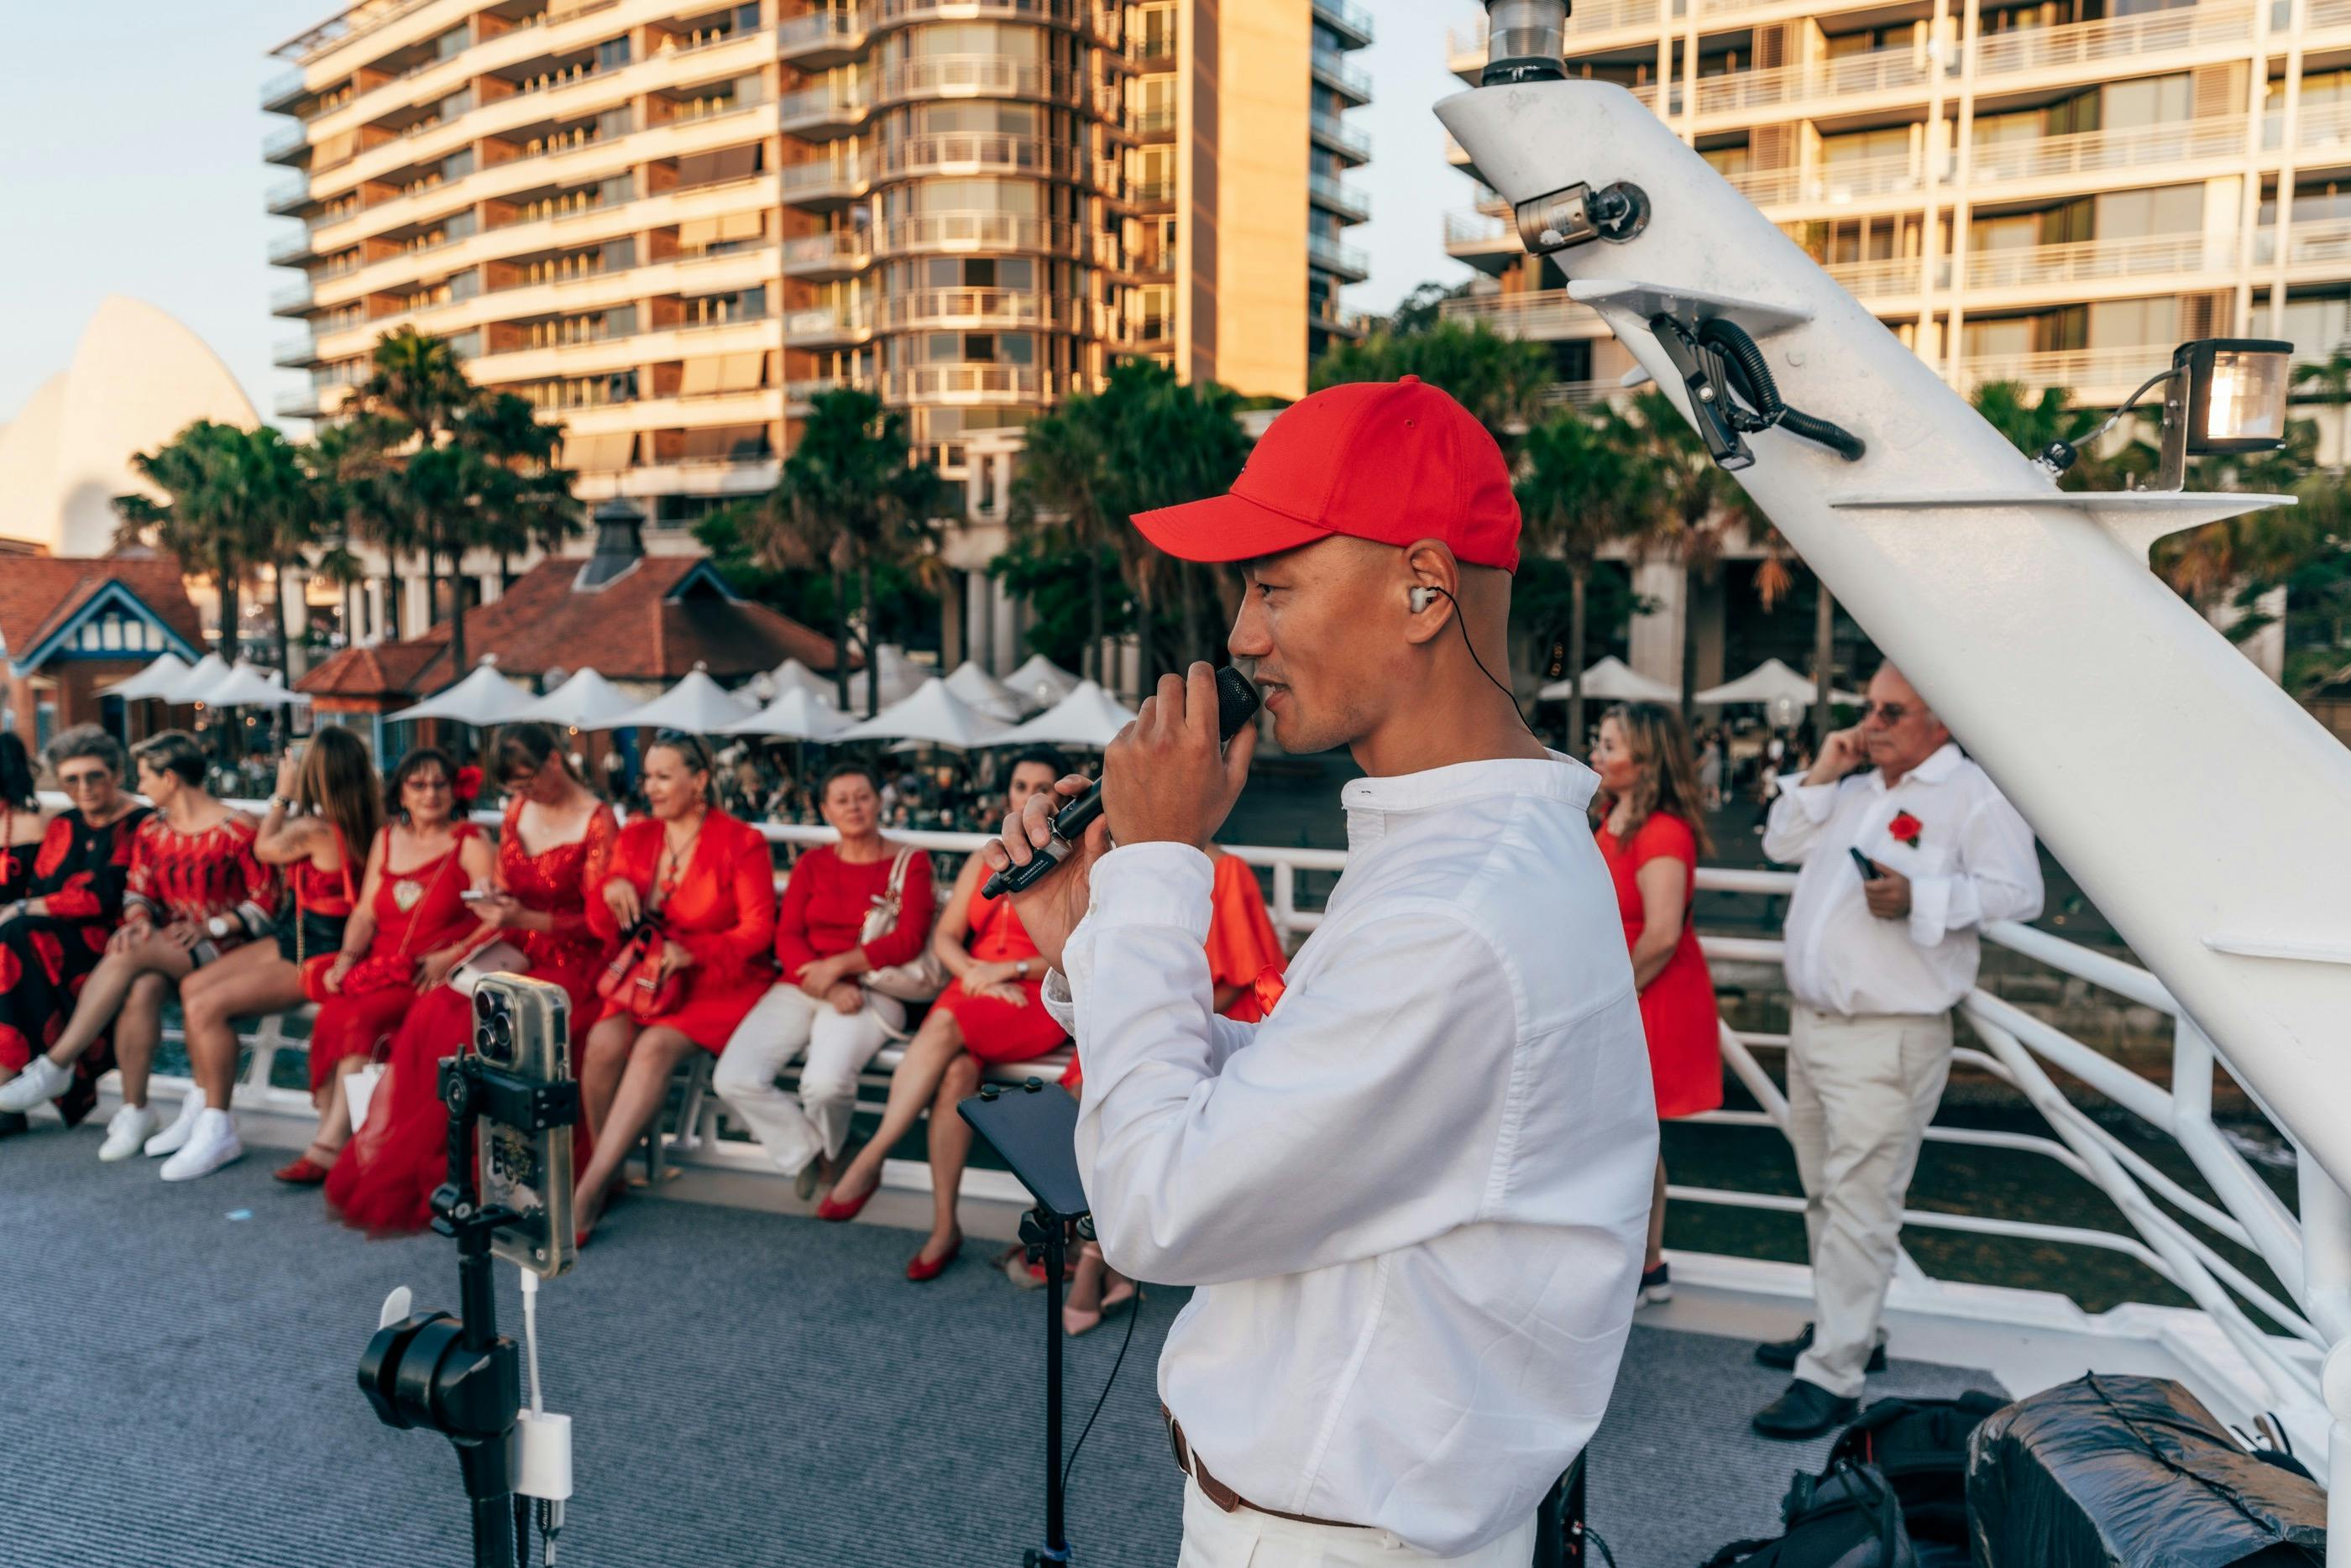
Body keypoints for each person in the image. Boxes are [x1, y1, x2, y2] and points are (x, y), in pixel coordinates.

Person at [984, 375, 1656, 1564]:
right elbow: (1317, 1094)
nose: (1242, 635)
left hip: (1334, 1541)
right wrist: (1095, 941)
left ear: (1424, 589)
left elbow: (1155, 1213)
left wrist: (1156, 868)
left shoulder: (1459, 908)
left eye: (1273, 584)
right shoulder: (1475, 854)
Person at [1749, 662, 2043, 1440]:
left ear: (1941, 722)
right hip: (1815, 1027)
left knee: (1861, 1206)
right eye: (1868, 709)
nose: (1873, 723)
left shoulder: (1971, 795)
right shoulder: (1853, 787)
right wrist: (1825, 764)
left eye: (1892, 712)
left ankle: (1835, 1374)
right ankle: (1845, 1332)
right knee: (1825, 1194)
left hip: (1888, 1036)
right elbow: (1780, 843)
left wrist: (1923, 899)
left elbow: (2020, 892)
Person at [327, 724, 618, 1231]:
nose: (522, 795)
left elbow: (599, 924)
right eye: (514, 788)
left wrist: (518, 919)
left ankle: (521, 1171)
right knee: (437, 1009)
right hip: (515, 945)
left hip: (575, 958)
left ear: (555, 763)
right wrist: (495, 905)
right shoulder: (517, 812)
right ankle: (455, 1161)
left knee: (506, 1027)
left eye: (528, 783)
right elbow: (506, 889)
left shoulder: (597, 821)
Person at [814, 750, 1073, 1283]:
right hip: (976, 985)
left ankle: (872, 1156)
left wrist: (1008, 971)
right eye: (1019, 784)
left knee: (947, 1023)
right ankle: (944, 1226)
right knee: (955, 1074)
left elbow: (1078, 951)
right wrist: (976, 970)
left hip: (1036, 992)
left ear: (1059, 797)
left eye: (1041, 786)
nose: (1029, 796)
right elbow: (945, 937)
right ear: (1007, 794)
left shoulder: (1075, 860)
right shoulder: (988, 860)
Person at [0, 730, 280, 1181]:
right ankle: (136, 1109)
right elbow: (138, 890)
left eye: (145, 776)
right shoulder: (154, 830)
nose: (141, 786)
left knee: (132, 952)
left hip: (230, 950)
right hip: (169, 948)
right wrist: (138, 917)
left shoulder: (238, 827)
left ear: (169, 778)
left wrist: (211, 925)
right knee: (141, 986)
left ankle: (57, 1063)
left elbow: (267, 905)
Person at [1048, 842, 1290, 1333]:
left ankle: (1096, 1257)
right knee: (1093, 1091)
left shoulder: (1230, 871)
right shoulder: (1127, 869)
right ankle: (1105, 1244)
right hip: (1153, 1015)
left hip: (1214, 1015)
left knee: (1137, 1092)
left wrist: (1162, 1010)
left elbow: (1242, 975)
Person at [574, 732, 776, 1241]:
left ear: (700, 780)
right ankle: (611, 1166)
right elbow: (606, 927)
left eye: (665, 776)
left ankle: (589, 1190)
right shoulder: (638, 836)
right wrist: (611, 887)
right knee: (601, 1044)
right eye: (648, 776)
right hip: (649, 979)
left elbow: (757, 932)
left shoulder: (741, 840)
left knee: (653, 1049)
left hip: (717, 980)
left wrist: (695, 953)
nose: (651, 787)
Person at [166, 730, 380, 1184]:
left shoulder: (314, 830)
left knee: (205, 1004)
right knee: (191, 986)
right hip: (301, 938)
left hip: (315, 954)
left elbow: (262, 848)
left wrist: (282, 793)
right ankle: (200, 1106)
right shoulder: (369, 821)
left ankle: (217, 1123)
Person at [715, 760, 935, 1200]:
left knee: (824, 1084)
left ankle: (832, 1156)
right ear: (825, 810)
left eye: (863, 797)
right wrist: (828, 982)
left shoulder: (911, 863)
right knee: (734, 1077)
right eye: (842, 800)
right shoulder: (812, 864)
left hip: (873, 988)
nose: (854, 807)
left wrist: (840, 967)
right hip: (806, 984)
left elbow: (908, 939)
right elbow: (787, 936)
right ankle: (815, 1152)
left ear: (879, 802)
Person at [305, 747, 495, 1179]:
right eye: (418, 785)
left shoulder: (470, 843)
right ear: (402, 794)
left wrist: (452, 956)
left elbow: (497, 920)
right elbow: (366, 912)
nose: (430, 794)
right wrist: (346, 959)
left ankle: (331, 1146)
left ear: (455, 790)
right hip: (382, 966)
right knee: (334, 1013)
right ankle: (342, 1135)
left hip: (431, 974)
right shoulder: (386, 839)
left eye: (440, 784)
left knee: (361, 1021)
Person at [1590, 702, 1723, 1309]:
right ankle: (1637, 1261)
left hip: (1646, 995)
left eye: (1610, 744)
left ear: (1645, 760)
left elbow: (1663, 933)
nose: (1597, 753)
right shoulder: (1612, 820)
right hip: (1621, 991)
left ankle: (1644, 1264)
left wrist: (1612, 996)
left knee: (1632, 1137)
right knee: (1620, 1137)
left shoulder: (1662, 830)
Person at [0, 728, 150, 1138]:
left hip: (116, 940)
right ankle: (13, 1081)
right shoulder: (64, 824)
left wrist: (24, 908)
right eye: (71, 779)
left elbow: (107, 894)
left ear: (117, 773)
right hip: (54, 936)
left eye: (94, 776)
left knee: (14, 935)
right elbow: (47, 889)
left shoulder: (140, 823)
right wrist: (32, 907)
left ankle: (10, 1076)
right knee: (15, 937)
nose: (83, 788)